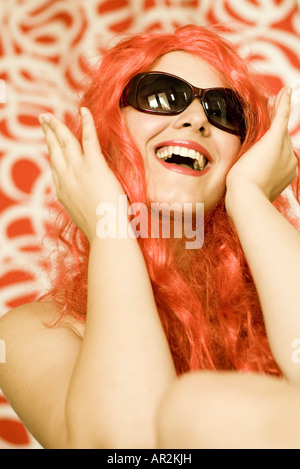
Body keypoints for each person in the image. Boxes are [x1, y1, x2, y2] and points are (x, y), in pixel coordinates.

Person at [0, 24, 300, 449]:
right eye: (161, 96)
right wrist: (110, 224)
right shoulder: (29, 334)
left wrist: (250, 197)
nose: (197, 119)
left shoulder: (279, 284)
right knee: (195, 409)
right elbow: (126, 449)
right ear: (107, 131)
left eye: (224, 112)